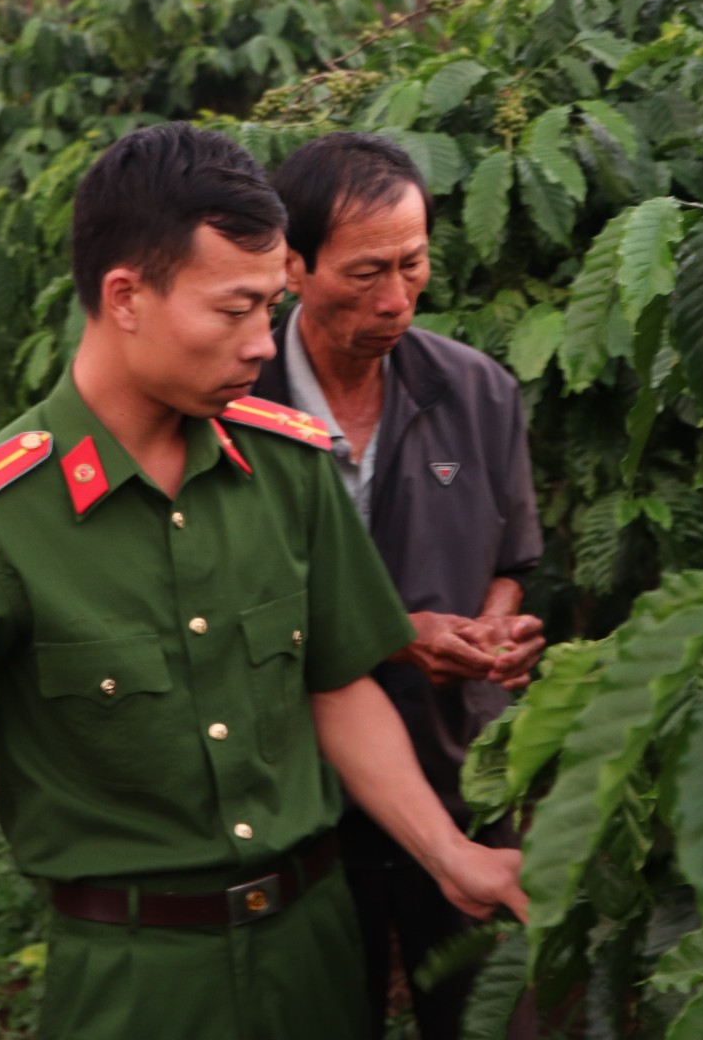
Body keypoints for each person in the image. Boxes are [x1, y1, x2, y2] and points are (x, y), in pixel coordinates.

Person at [0, 123, 527, 1040]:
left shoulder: (285, 465)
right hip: (136, 981)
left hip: (314, 954)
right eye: (234, 310)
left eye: (268, 307)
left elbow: (335, 682)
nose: (261, 342)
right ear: (126, 296)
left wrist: (451, 857)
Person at [254, 132, 545, 1040]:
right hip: (291, 801)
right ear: (293, 267)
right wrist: (393, 633)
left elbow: (511, 562)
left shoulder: (476, 391)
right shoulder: (233, 401)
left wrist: (492, 635)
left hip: (458, 774)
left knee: (488, 1013)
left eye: (412, 265)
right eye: (364, 272)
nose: (394, 300)